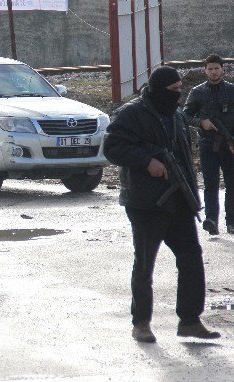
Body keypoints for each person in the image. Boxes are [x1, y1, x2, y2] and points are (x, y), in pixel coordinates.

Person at [104, 66, 220, 342]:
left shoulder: (177, 116)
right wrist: (147, 161)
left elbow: (183, 160)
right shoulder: (131, 113)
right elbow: (112, 147)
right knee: (145, 265)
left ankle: (190, 320)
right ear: (157, 89)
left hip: (178, 200)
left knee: (191, 258)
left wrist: (194, 199)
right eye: (173, 91)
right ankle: (141, 322)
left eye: (181, 90)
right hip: (146, 202)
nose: (178, 95)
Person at [183, 53, 234, 235]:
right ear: (204, 71)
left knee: (232, 183)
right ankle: (211, 220)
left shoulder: (231, 90)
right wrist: (201, 123)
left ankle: (231, 222)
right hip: (207, 145)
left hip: (229, 144)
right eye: (210, 69)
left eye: (216, 68)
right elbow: (185, 115)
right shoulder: (198, 92)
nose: (213, 72)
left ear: (223, 69)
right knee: (211, 183)